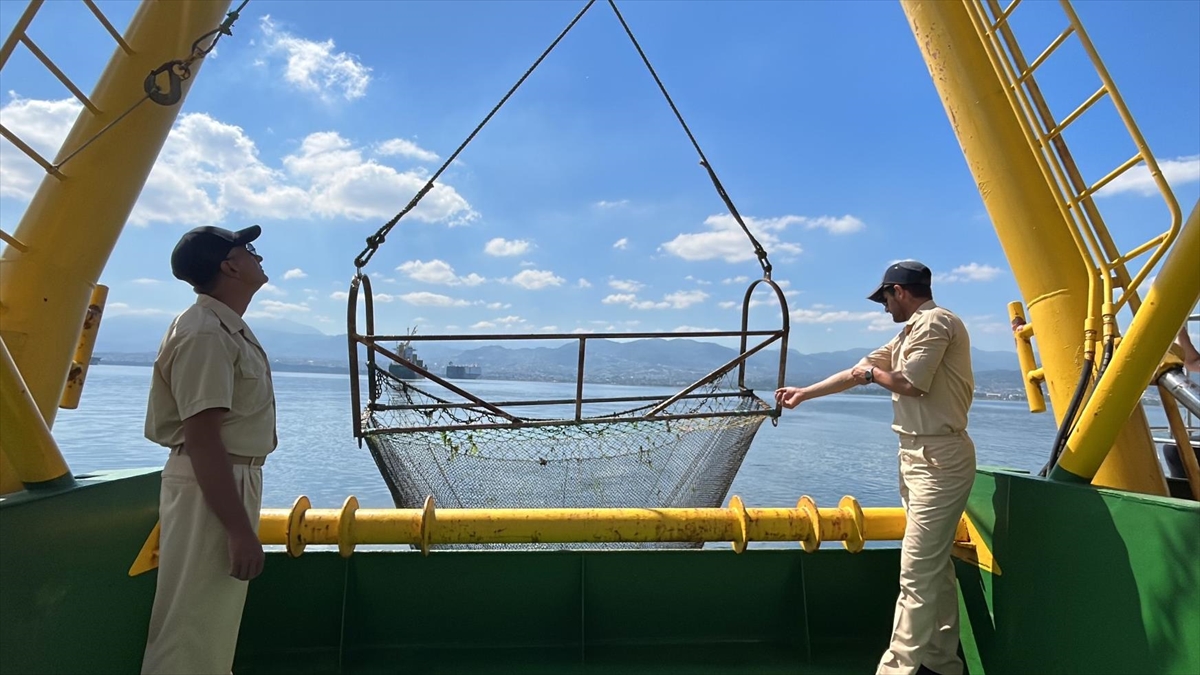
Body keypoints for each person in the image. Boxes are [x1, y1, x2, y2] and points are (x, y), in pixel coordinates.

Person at [775, 260, 975, 675]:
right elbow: (856, 372)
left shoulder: (935, 323)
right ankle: (942, 663)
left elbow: (910, 384)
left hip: (940, 458)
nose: (884, 307)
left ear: (899, 291)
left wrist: (871, 373)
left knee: (916, 572)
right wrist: (804, 394)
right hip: (916, 455)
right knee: (933, 569)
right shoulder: (907, 333)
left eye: (884, 298)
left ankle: (895, 670)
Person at [141, 225, 276, 674]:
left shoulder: (224, 328)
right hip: (212, 484)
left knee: (212, 623)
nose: (259, 256)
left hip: (227, 479)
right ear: (229, 265)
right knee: (190, 628)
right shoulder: (204, 333)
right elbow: (201, 437)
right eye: (249, 249)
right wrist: (238, 530)